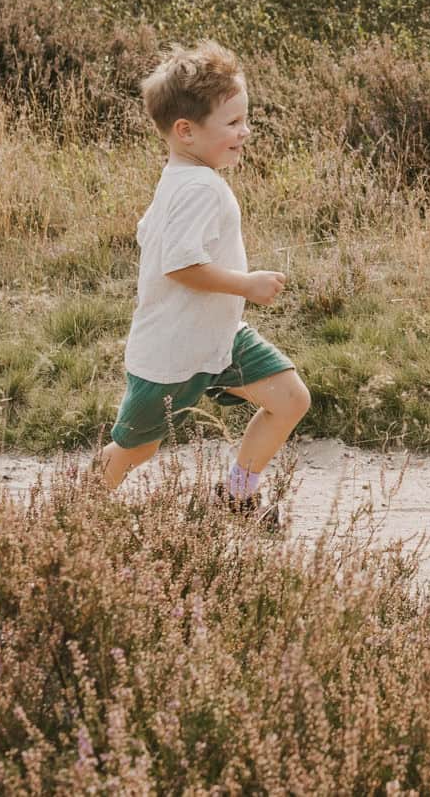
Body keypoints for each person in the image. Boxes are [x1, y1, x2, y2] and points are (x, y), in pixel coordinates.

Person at [94, 41, 312, 526]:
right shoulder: (198, 187)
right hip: (172, 354)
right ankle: (72, 512)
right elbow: (180, 265)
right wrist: (247, 285)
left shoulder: (181, 177)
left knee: (290, 398)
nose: (245, 132)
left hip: (218, 339)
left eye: (244, 119)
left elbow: (148, 233)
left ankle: (236, 497)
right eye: (232, 123)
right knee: (135, 448)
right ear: (186, 131)